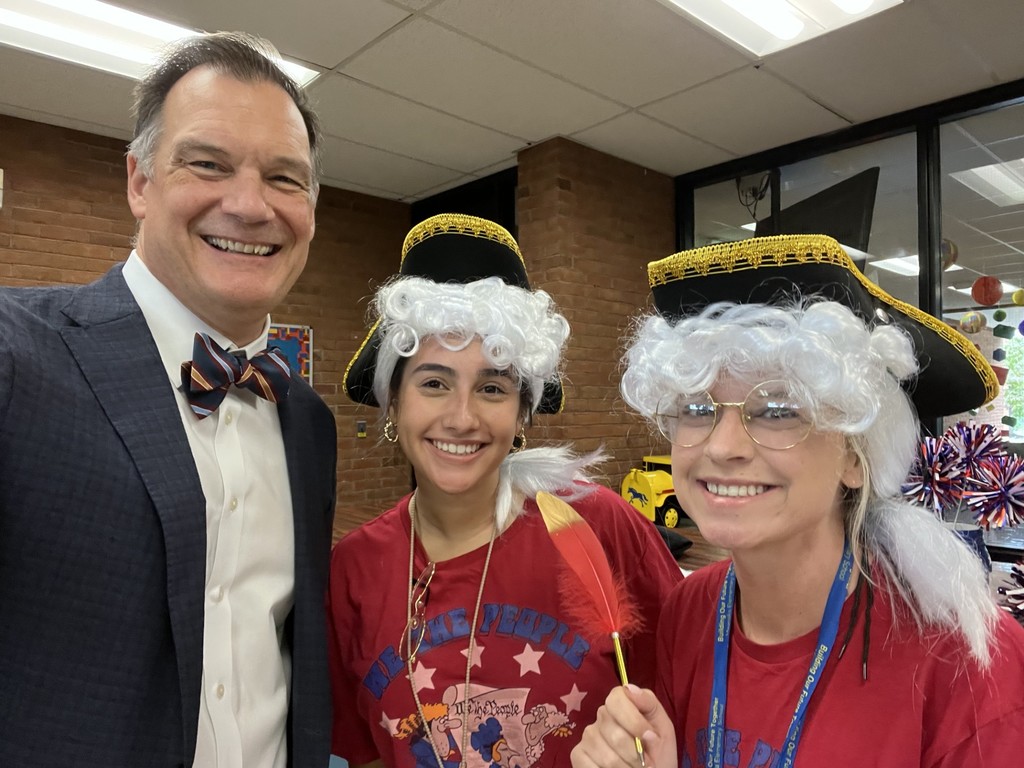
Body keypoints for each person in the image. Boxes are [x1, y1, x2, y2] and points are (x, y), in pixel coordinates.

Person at [0, 32, 337, 768]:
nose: (250, 205)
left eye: (285, 179)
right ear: (139, 182)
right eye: (208, 164)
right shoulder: (14, 355)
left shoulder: (310, 423)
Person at [572, 234, 1024, 768]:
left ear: (857, 456)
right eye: (696, 406)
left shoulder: (963, 655)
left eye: (779, 409)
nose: (721, 446)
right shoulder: (689, 612)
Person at [328, 213, 682, 768]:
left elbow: (684, 700)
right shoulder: (353, 569)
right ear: (394, 402)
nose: (462, 417)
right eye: (434, 383)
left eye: (492, 387)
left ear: (522, 413)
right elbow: (366, 751)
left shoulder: (593, 525)